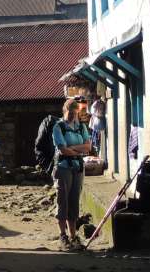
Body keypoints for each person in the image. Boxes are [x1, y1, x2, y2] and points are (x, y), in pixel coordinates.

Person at [52, 97, 92, 251]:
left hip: (78, 167)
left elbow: (88, 147)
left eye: (74, 114)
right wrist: (78, 149)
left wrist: (73, 148)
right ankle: (63, 236)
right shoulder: (58, 127)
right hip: (63, 167)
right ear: (65, 111)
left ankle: (73, 236)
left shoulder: (81, 127)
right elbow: (62, 149)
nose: (72, 116)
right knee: (63, 201)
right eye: (69, 113)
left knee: (74, 201)